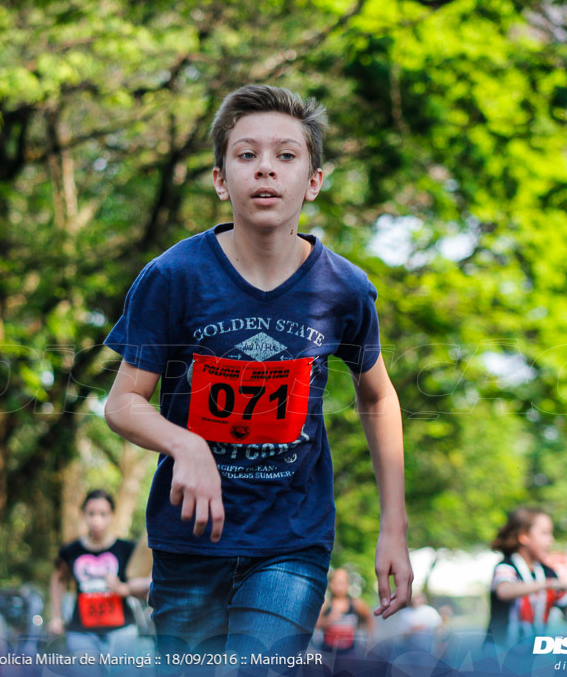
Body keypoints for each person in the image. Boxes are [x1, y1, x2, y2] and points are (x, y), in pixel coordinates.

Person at [103, 84, 411, 658]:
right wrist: (187, 447)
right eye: (246, 155)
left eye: (286, 156)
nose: (265, 169)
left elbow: (378, 397)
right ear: (222, 180)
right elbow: (122, 403)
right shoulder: (173, 277)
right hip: (188, 539)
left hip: (291, 540)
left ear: (313, 181)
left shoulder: (342, 288)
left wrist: (394, 526)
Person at [48, 490, 147, 658]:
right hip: (82, 633)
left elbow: (145, 584)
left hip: (122, 632)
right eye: (91, 514)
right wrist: (56, 616)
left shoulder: (127, 549)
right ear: (83, 515)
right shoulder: (71, 550)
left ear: (112, 515)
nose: (96, 520)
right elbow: (58, 579)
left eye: (103, 514)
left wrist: (122, 588)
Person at [486, 507, 567, 650]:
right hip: (499, 656)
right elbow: (504, 591)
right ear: (524, 536)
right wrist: (547, 585)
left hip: (529, 658)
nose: (551, 540)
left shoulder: (548, 573)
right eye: (545, 533)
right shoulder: (506, 567)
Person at [315, 568, 373, 656]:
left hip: (349, 653)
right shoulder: (326, 603)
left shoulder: (355, 604)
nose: (339, 586)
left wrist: (370, 641)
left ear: (347, 584)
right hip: (327, 652)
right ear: (331, 584)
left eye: (342, 583)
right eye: (336, 582)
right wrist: (327, 620)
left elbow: (369, 619)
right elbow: (314, 624)